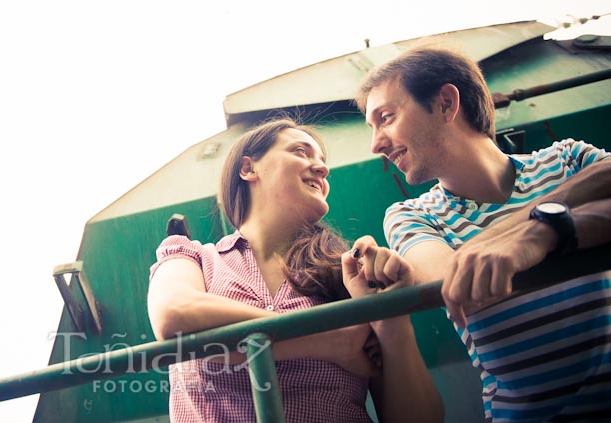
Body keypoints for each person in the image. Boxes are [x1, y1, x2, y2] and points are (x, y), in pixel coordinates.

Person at [354, 45, 611, 423]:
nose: (376, 143)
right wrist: (554, 220)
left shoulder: (567, 159)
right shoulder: (410, 215)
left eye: (386, 118)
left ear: (445, 103)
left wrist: (543, 232)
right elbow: (455, 282)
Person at [147, 117, 443, 423]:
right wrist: (331, 341)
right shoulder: (192, 257)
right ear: (249, 168)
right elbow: (174, 313)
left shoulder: (352, 277)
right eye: (301, 152)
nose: (322, 169)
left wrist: (392, 320)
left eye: (322, 161)